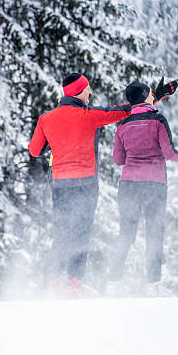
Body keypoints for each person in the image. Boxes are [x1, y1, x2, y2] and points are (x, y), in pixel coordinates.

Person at [28, 72, 133, 297]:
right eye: (87, 89)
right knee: (82, 233)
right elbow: (121, 110)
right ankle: (73, 284)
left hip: (61, 186)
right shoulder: (89, 115)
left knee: (62, 231)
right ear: (78, 92)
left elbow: (34, 150)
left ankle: (54, 281)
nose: (90, 92)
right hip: (85, 185)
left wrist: (51, 143)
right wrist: (151, 97)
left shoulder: (47, 119)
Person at [108, 79, 178, 296]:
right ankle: (153, 284)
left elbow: (118, 160)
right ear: (146, 96)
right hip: (154, 184)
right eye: (150, 93)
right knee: (154, 233)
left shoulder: (122, 124)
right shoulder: (158, 120)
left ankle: (114, 280)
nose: (153, 95)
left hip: (128, 184)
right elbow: (169, 153)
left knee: (126, 233)